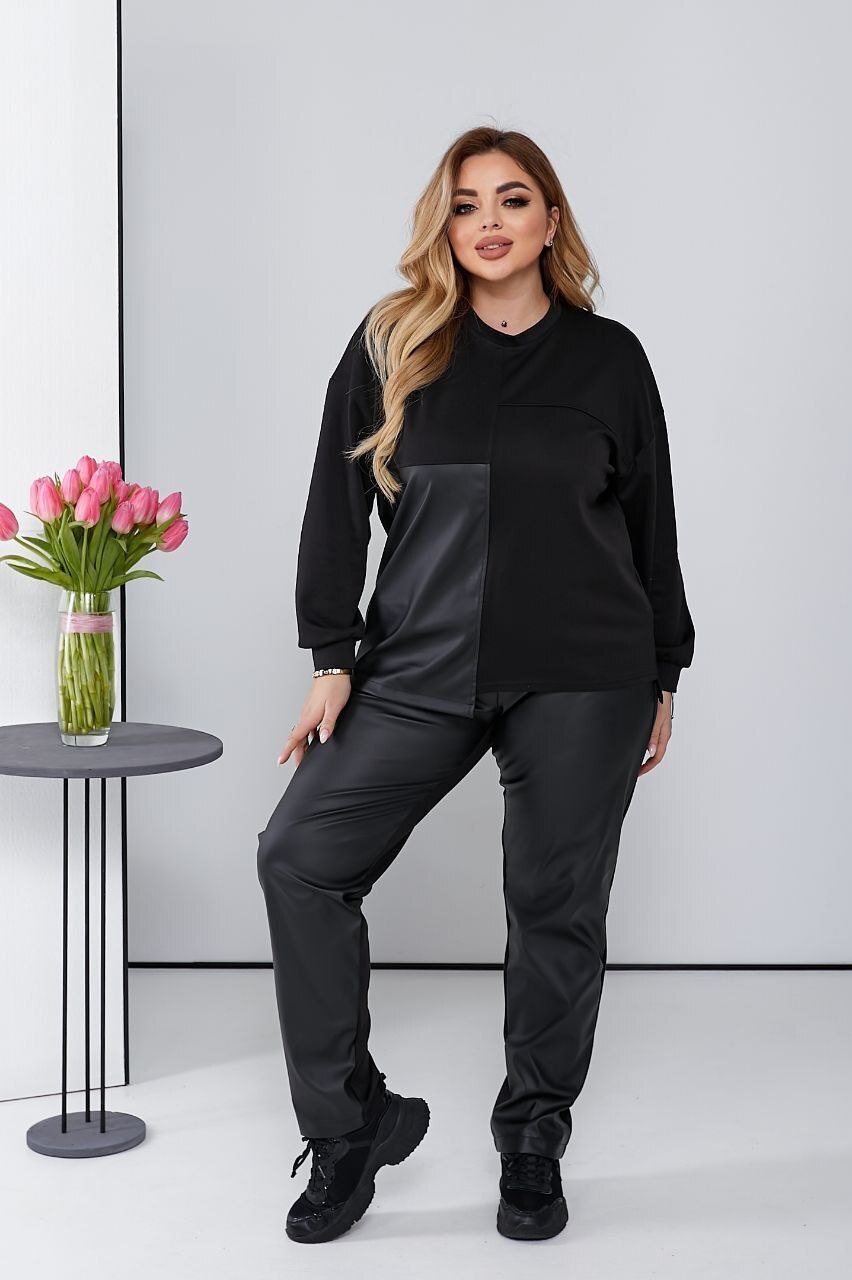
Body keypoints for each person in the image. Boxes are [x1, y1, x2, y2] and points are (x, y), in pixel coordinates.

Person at [256, 124, 695, 1246]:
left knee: (555, 907)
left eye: (512, 199)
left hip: (586, 671)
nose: (489, 222)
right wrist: (332, 657)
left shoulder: (610, 359)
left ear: (551, 220)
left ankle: (534, 1137)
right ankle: (351, 1126)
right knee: (299, 856)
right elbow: (333, 506)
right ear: (442, 225)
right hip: (422, 661)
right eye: (465, 204)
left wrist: (664, 669)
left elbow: (649, 521)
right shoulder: (393, 342)